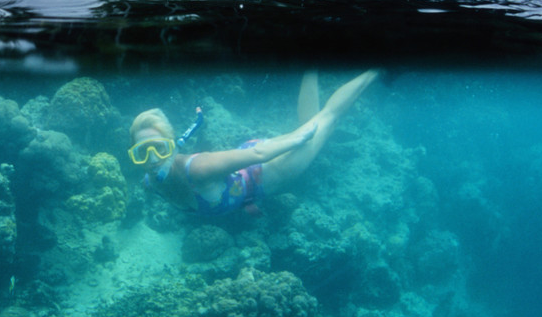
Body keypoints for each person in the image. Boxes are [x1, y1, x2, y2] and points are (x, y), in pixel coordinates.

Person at [128, 70, 379, 216]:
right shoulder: (151, 182)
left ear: (171, 146)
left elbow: (259, 153)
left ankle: (378, 70)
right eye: (141, 152)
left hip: (273, 169)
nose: (151, 159)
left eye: (159, 148)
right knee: (313, 120)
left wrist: (299, 138)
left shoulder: (197, 169)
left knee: (327, 119)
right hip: (249, 181)